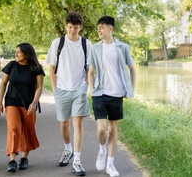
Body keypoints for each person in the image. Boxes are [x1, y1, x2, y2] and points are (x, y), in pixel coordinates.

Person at [87, 16, 136, 177]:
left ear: (110, 29)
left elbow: (132, 69)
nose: (99, 30)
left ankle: (110, 164)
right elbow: (91, 71)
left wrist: (131, 90)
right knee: (102, 130)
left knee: (113, 130)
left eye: (102, 27)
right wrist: (91, 88)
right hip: (100, 93)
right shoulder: (95, 48)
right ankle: (102, 150)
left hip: (117, 95)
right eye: (98, 28)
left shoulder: (123, 47)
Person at [46, 11, 92, 176]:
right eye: (70, 27)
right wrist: (54, 87)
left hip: (79, 89)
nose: (73, 30)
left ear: (80, 28)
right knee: (64, 123)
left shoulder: (87, 44)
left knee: (78, 123)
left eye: (76, 27)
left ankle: (77, 161)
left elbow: (89, 68)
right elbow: (51, 67)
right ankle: (68, 149)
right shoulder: (57, 43)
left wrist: (86, 84)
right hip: (62, 90)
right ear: (66, 26)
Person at [0, 43, 44, 172]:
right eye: (15, 51)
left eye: (18, 52)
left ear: (26, 54)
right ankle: (12, 160)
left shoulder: (36, 68)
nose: (15, 54)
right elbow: (3, 84)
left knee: (28, 129)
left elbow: (39, 87)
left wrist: (34, 103)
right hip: (12, 101)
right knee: (13, 128)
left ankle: (24, 158)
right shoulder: (11, 66)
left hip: (29, 103)